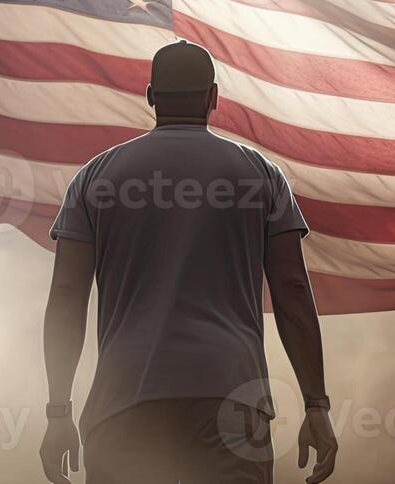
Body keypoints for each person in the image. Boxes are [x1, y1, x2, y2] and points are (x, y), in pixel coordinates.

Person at [38, 40, 337, 484]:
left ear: (151, 96)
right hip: (233, 397)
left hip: (124, 402)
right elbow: (292, 290)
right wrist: (316, 405)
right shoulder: (260, 174)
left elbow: (66, 296)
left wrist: (59, 410)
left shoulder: (96, 177)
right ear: (213, 97)